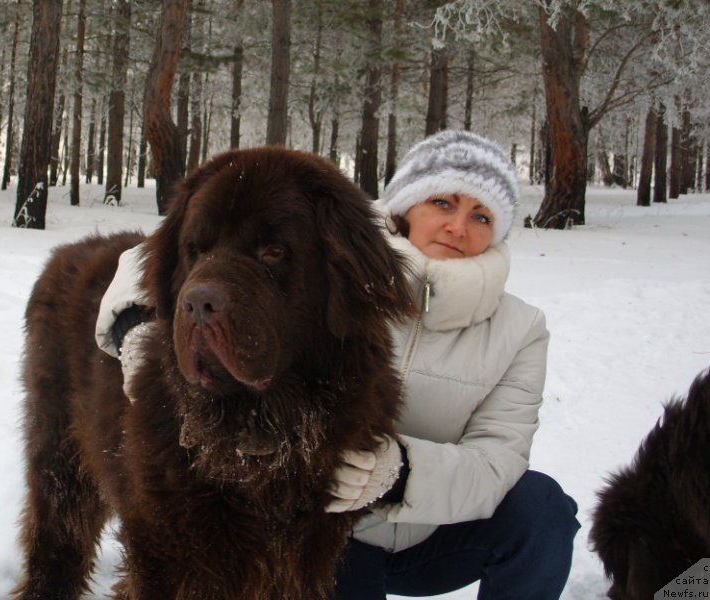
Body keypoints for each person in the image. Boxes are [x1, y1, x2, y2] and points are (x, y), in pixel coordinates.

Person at [94, 130, 579, 599]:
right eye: (443, 203)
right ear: (408, 203)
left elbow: (498, 463)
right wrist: (142, 327)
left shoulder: (520, 329)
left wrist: (401, 473)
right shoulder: (346, 249)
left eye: (482, 216)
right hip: (340, 535)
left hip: (435, 531)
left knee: (543, 510)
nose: (457, 226)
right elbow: (166, 252)